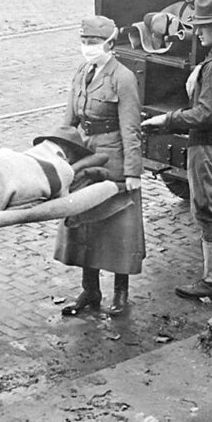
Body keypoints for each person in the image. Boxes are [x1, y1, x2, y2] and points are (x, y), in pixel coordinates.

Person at [141, 0, 212, 301]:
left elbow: (205, 114)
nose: (197, 31)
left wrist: (166, 121)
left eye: (202, 26)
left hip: (209, 150)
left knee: (206, 215)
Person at [56, 16, 145, 317]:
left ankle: (120, 292)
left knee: (118, 227)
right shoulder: (82, 72)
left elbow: (131, 128)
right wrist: (57, 152)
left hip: (112, 158)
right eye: (83, 42)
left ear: (109, 44)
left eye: (93, 43)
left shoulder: (123, 78)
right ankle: (90, 290)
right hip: (85, 153)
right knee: (85, 223)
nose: (87, 48)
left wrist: (132, 172)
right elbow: (69, 121)